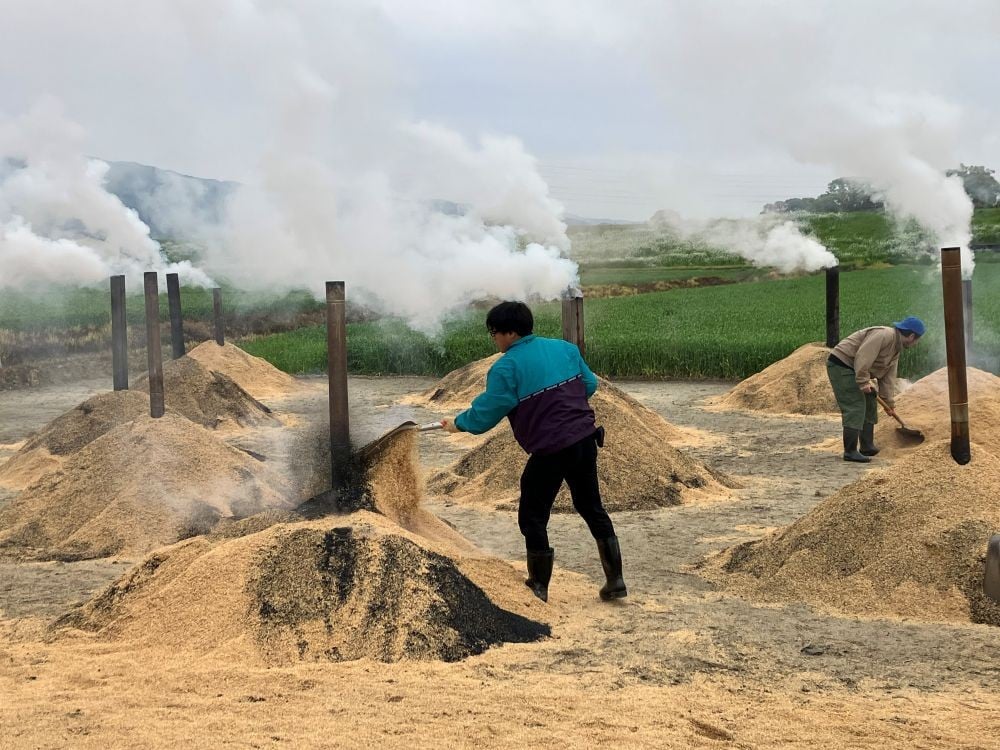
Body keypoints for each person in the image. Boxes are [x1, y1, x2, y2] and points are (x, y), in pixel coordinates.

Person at [441, 301, 626, 603]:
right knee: (591, 506)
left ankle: (538, 585)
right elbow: (589, 385)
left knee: (533, 515)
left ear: (510, 333)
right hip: (584, 440)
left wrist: (458, 424)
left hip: (551, 449)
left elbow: (489, 411)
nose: (494, 339)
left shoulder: (505, 366)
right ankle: (615, 579)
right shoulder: (565, 349)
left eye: (494, 333)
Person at [826, 316, 925, 462]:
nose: (917, 343)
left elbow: (888, 378)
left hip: (856, 369)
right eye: (917, 340)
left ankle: (867, 446)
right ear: (911, 336)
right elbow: (863, 356)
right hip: (842, 365)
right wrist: (863, 381)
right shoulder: (884, 335)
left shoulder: (896, 349)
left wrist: (888, 402)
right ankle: (850, 451)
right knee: (856, 406)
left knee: (870, 402)